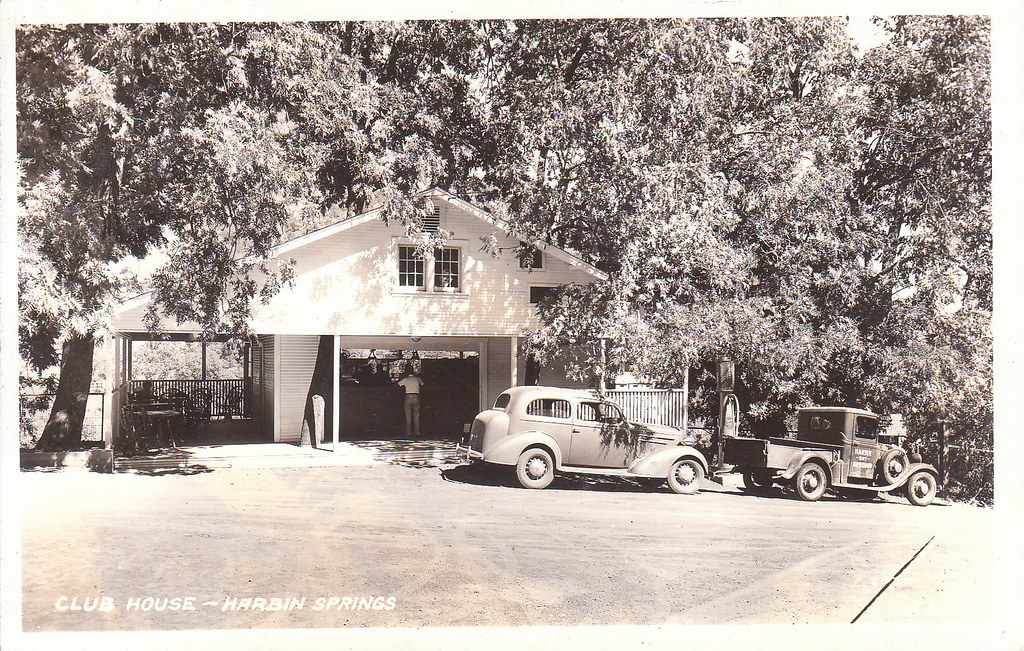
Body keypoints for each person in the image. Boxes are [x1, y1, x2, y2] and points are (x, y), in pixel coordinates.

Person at [397, 367, 424, 438]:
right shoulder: (418, 379)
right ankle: (417, 432)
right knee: (416, 415)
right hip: (416, 396)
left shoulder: (405, 379)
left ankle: (408, 432)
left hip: (408, 396)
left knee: (408, 415)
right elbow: (423, 384)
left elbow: (397, 385)